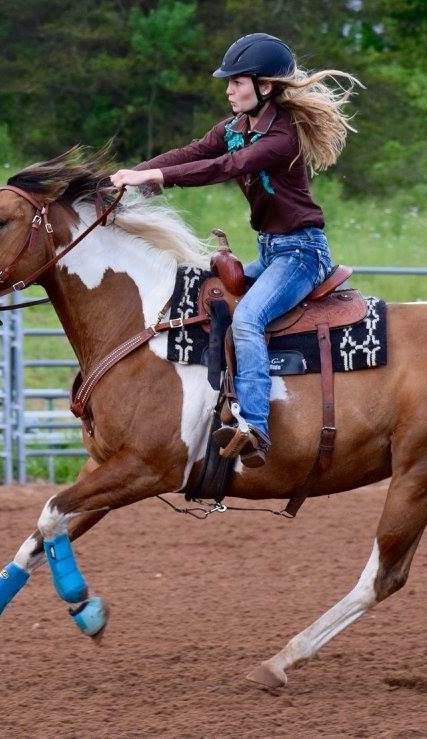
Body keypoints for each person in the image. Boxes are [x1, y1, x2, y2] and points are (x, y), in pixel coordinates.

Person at [111, 33, 360, 468]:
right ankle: (213, 408)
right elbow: (195, 151)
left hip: (300, 254)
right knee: (209, 303)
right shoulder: (235, 129)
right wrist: (138, 172)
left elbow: (227, 166)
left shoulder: (281, 137)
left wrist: (161, 180)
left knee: (247, 318)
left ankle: (256, 428)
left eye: (236, 82)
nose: (228, 90)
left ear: (264, 87)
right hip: (271, 250)